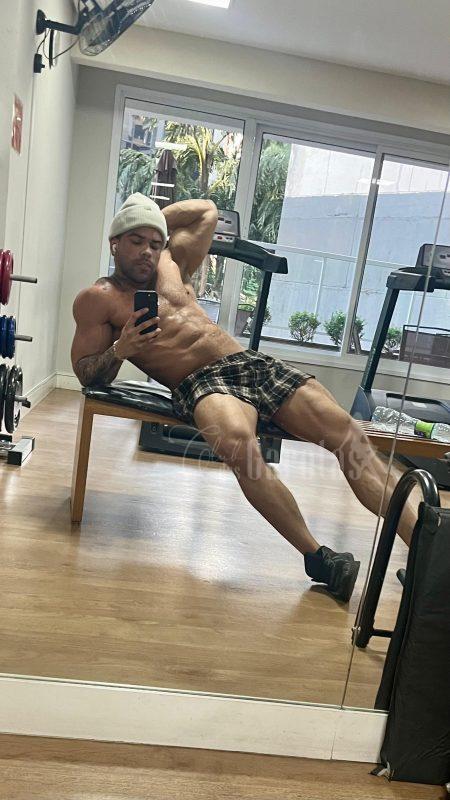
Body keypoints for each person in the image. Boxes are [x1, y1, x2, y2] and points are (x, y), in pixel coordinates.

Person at [72, 193, 416, 602]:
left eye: (154, 242)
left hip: (248, 364)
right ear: (114, 243)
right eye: (135, 241)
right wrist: (121, 349)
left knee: (349, 436)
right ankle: (320, 558)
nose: (147, 250)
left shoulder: (171, 264)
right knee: (241, 447)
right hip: (201, 382)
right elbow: (86, 373)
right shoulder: (99, 297)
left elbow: (206, 211)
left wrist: (149, 220)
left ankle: (425, 556)